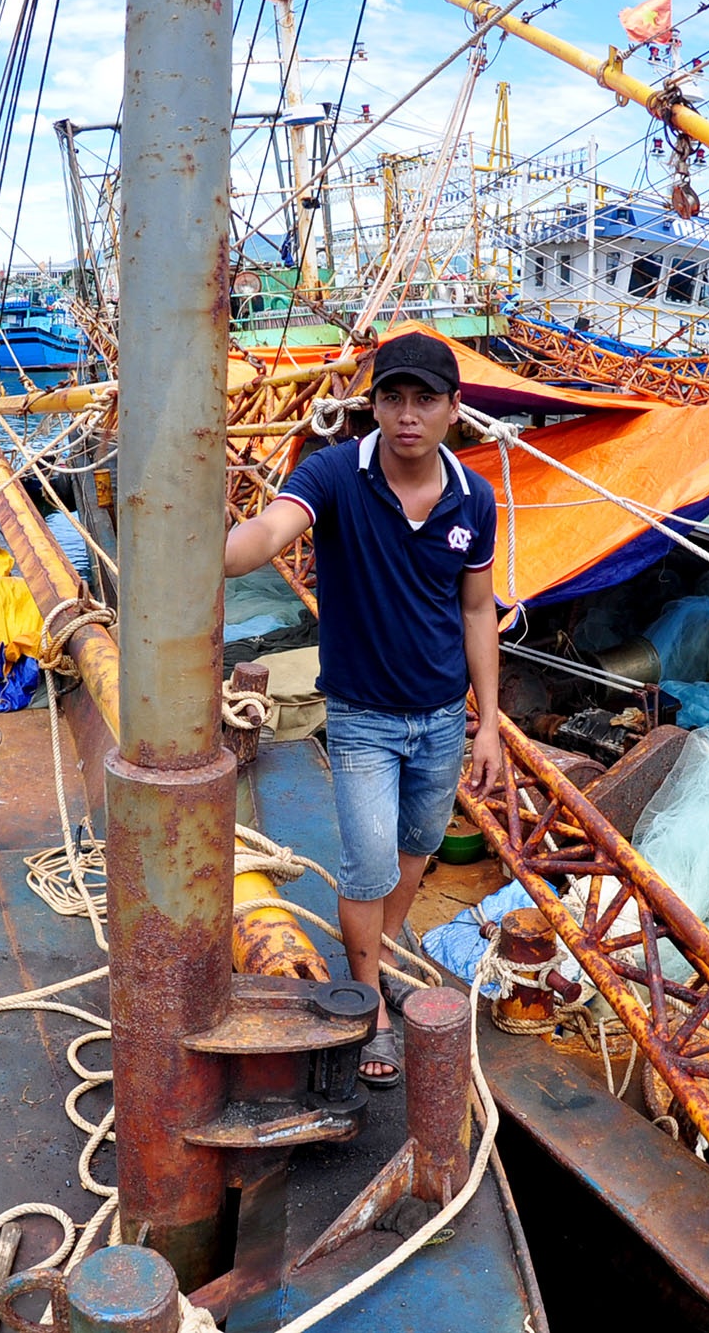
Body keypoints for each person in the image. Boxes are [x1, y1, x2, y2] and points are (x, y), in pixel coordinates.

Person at [223, 331, 502, 1087]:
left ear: (452, 409)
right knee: (369, 864)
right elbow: (273, 529)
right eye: (392, 398)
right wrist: (209, 548)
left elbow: (478, 612)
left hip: (443, 716)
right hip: (363, 717)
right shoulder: (336, 474)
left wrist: (492, 726)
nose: (407, 415)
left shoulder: (474, 498)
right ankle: (372, 1001)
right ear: (372, 404)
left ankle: (373, 956)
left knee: (417, 849)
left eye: (424, 400)